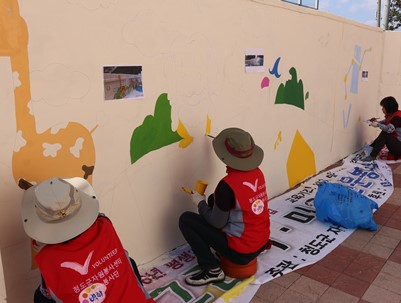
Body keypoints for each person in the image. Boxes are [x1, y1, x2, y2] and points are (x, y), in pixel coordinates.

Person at [20, 177, 155, 303]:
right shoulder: (105, 225)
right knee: (127, 261)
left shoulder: (47, 258)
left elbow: (49, 291)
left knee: (41, 296)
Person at [179, 127, 271, 286]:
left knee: (187, 220)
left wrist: (199, 202)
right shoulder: (257, 172)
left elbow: (217, 223)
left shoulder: (227, 185)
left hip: (242, 251)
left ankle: (211, 269)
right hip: (261, 241)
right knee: (215, 200)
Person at [362, 96, 401, 161]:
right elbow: (382, 123)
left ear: (389, 108)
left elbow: (389, 130)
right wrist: (375, 122)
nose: (382, 109)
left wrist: (377, 124)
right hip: (397, 144)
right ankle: (371, 148)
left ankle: (372, 156)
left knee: (385, 134)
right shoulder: (391, 115)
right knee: (384, 132)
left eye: (383, 107)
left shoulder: (397, 118)